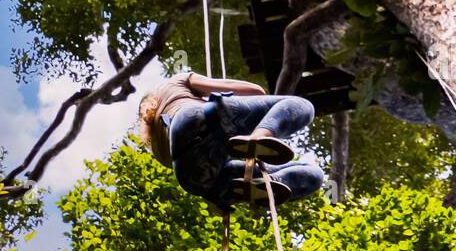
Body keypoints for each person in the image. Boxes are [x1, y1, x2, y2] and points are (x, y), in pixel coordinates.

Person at [137, 71, 325, 213]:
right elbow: (254, 91)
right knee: (302, 106)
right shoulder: (174, 82)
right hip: (199, 118)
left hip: (195, 181)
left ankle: (266, 183)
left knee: (313, 174)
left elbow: (211, 160)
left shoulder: (157, 148)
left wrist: (220, 201)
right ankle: (260, 135)